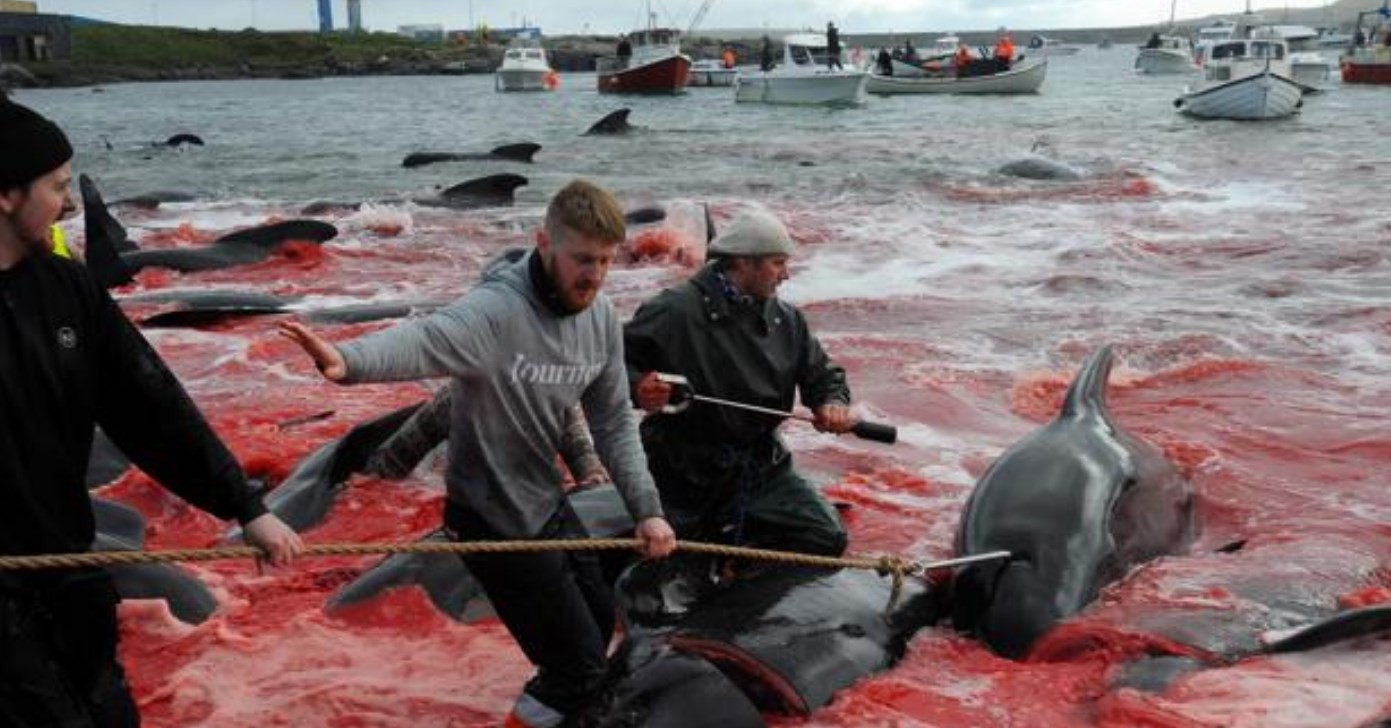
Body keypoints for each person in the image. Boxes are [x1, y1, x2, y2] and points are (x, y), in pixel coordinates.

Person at [278, 179, 676, 728]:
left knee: (598, 621)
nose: (595, 274)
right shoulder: (497, 311)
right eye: (583, 259)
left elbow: (612, 422)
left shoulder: (602, 319)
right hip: (489, 519)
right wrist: (347, 360)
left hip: (545, 504)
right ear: (544, 243)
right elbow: (428, 337)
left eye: (606, 260)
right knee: (578, 671)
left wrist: (647, 509)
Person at [0, 99, 304, 727]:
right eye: (58, 187)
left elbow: (148, 402)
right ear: (7, 194)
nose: (70, 203)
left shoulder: (67, 287)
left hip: (67, 561)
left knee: (111, 713)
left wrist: (243, 505)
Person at [624, 208, 855, 560]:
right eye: (778, 263)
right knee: (663, 561)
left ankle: (740, 560)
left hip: (763, 466)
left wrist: (831, 402)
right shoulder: (673, 311)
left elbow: (822, 375)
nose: (787, 275)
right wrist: (639, 386)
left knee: (825, 537)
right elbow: (608, 370)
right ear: (744, 263)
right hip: (682, 471)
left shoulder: (787, 319)